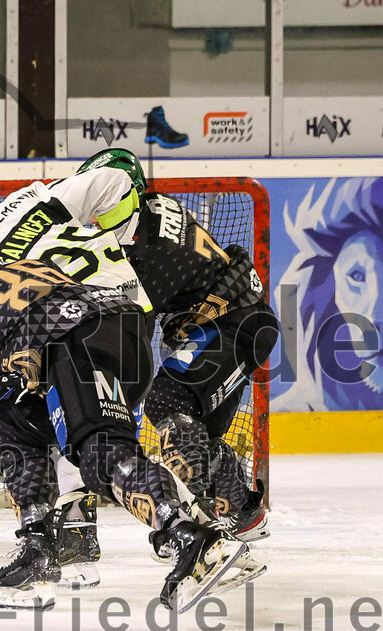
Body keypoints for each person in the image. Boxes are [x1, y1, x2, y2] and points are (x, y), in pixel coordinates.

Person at [0, 229, 261, 611]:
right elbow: (41, 319)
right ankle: (36, 549)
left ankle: (192, 538)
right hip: (121, 331)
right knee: (13, 422)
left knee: (100, 453)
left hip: (78, 344)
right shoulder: (23, 267)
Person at [72, 148, 277, 542]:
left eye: (102, 200)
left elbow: (126, 339)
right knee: (192, 434)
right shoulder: (148, 215)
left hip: (236, 326)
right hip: (236, 323)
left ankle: (201, 526)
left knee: (166, 402)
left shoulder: (144, 252)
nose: (94, 214)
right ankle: (242, 514)